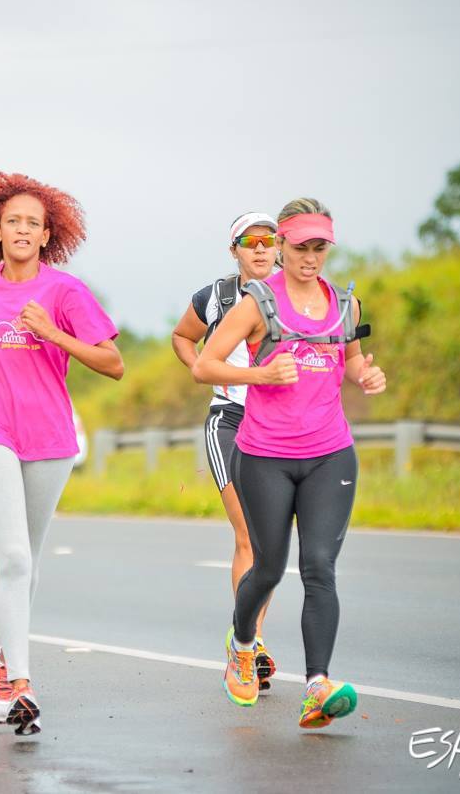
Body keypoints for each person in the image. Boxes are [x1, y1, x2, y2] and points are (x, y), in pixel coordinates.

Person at [193, 198, 386, 729]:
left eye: (320, 247)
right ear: (282, 245)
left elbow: (350, 362)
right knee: (269, 566)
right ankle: (242, 644)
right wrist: (260, 375)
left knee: (319, 567)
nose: (310, 257)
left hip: (330, 452)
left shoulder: (345, 304)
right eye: (301, 246)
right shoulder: (256, 303)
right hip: (265, 456)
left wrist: (366, 376)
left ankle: (317, 686)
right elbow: (205, 365)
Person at [0, 170, 124, 735]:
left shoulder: (65, 292)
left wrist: (54, 334)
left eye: (33, 223)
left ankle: (6, 656)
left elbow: (113, 364)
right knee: (12, 556)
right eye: (13, 221)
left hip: (49, 436)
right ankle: (18, 684)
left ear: (48, 235)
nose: (23, 230)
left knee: (29, 558)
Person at [171, 211, 279, 690]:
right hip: (231, 421)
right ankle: (249, 646)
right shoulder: (215, 296)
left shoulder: (296, 298)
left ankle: (249, 637)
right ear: (234, 250)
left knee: (270, 544)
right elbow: (182, 336)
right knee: (249, 536)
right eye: (250, 242)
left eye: (269, 241)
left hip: (279, 427)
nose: (261, 249)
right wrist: (202, 368)